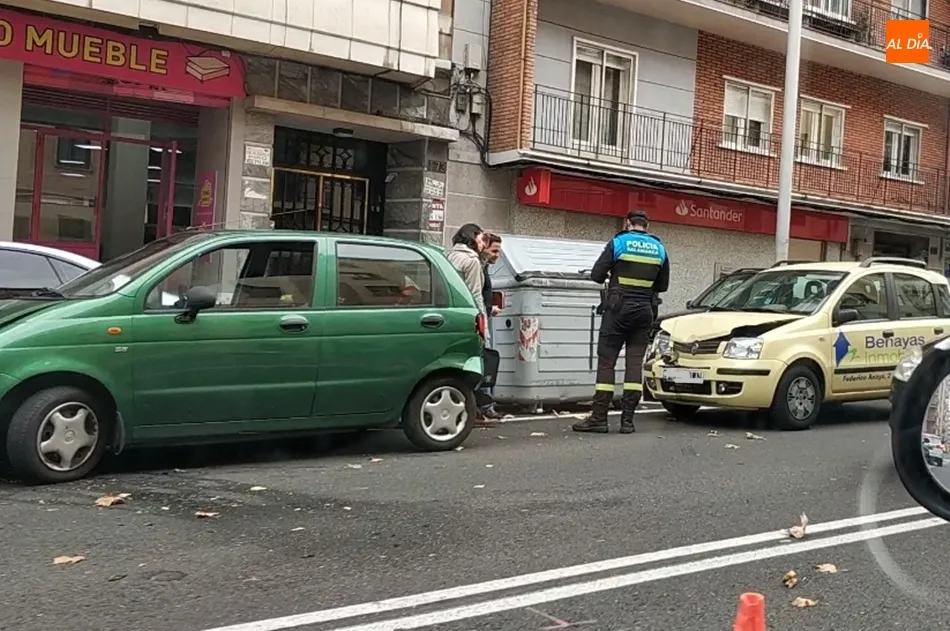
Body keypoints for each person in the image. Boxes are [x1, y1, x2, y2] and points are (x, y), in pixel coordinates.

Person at [573, 210, 670, 435]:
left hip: (618, 310)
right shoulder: (659, 248)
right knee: (634, 364)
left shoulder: (619, 243)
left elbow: (596, 275)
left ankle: (599, 418)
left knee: (607, 362)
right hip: (644, 311)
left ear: (628, 223)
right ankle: (628, 421)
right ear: (647, 226)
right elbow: (663, 286)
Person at [476, 234, 503, 419]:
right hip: (480, 321)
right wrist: (486, 310)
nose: (496, 255)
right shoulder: (477, 266)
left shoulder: (483, 267)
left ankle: (484, 405)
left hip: (483, 317)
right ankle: (484, 405)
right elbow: (476, 294)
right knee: (484, 362)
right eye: (494, 251)